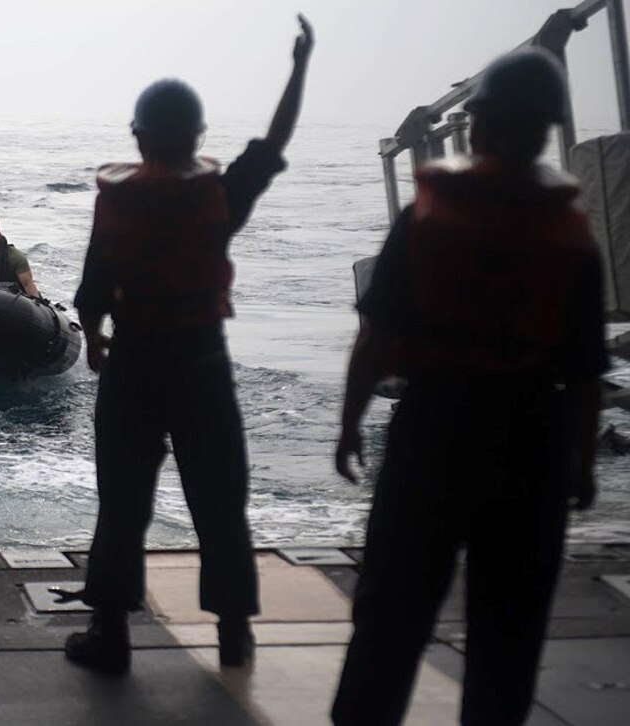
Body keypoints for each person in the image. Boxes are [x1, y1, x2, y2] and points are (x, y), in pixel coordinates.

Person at [332, 47, 608, 725]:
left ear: (476, 125)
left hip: (435, 431)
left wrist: (347, 425)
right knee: (507, 638)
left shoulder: (429, 218)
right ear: (547, 130)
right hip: (530, 443)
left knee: (392, 615)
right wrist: (579, 464)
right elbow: (583, 374)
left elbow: (375, 339)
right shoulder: (571, 235)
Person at [64, 15, 314, 674]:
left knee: (123, 503)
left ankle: (111, 635)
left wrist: (93, 343)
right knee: (219, 501)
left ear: (139, 138)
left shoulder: (118, 202)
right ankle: (234, 633)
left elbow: (94, 287)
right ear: (197, 138)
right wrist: (299, 64)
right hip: (203, 362)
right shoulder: (220, 196)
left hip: (135, 364)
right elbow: (275, 137)